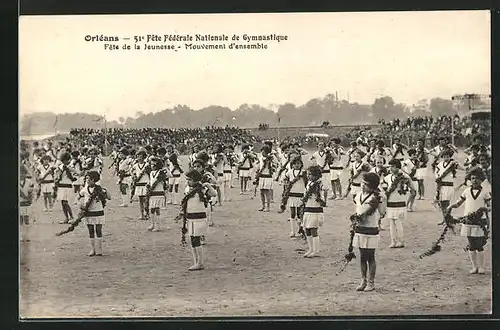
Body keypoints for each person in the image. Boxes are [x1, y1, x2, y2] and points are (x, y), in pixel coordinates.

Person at [446, 168, 491, 274]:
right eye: (473, 178)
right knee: (471, 244)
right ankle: (474, 266)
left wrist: (483, 210)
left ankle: (481, 267)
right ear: (470, 179)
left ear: (482, 179)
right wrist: (451, 206)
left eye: (477, 178)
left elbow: (489, 206)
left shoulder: (485, 192)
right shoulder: (466, 191)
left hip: (480, 221)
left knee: (479, 244)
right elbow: (459, 203)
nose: (475, 180)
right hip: (468, 221)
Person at [352, 172, 386, 292]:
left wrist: (382, 199)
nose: (363, 186)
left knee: (370, 256)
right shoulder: (358, 195)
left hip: (371, 228)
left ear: (372, 186)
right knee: (362, 256)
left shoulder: (376, 197)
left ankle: (371, 282)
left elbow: (382, 213)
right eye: (362, 183)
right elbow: (357, 209)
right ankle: (363, 280)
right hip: (360, 229)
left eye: (366, 184)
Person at [180, 169, 217, 271]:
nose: (188, 182)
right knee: (192, 240)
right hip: (190, 218)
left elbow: (214, 194)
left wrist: (208, 185)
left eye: (190, 180)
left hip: (199, 218)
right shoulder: (188, 189)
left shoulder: (201, 189)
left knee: (196, 240)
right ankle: (196, 261)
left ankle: (200, 262)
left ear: (195, 180)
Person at [76, 171, 111, 256]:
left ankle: (99, 249)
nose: (87, 180)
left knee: (98, 230)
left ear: (94, 180)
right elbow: (77, 198)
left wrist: (106, 191)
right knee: (91, 231)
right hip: (89, 213)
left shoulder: (100, 189)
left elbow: (109, 197)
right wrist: (80, 205)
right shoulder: (84, 190)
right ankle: (92, 249)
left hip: (98, 212)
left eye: (89, 179)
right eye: (86, 178)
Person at [383, 159, 415, 248]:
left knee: (398, 221)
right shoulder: (388, 177)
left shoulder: (405, 177)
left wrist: (407, 202)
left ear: (397, 167)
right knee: (391, 222)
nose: (390, 169)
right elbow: (381, 184)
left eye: (392, 167)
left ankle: (401, 241)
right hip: (390, 202)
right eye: (389, 167)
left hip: (400, 201)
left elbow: (413, 190)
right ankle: (393, 241)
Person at [300, 165, 326, 258]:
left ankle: (316, 250)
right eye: (308, 174)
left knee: (313, 229)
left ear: (317, 175)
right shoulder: (309, 183)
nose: (308, 176)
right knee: (306, 229)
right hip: (308, 208)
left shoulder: (320, 185)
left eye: (310, 174)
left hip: (315, 210)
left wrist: (318, 197)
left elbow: (323, 200)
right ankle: (310, 248)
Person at [282, 156, 307, 238]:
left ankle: (300, 229)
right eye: (295, 164)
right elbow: (284, 179)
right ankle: (292, 231)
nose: (297, 165)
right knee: (292, 213)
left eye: (298, 164)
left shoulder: (303, 172)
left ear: (301, 164)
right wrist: (286, 184)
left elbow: (307, 182)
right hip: (292, 194)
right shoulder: (289, 172)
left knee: (300, 213)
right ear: (292, 165)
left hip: (300, 194)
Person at [146, 157, 168, 232]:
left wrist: (165, 169)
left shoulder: (161, 172)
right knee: (151, 209)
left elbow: (168, 176)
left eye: (153, 164)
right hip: (152, 192)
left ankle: (157, 226)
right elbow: (151, 181)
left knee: (157, 209)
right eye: (151, 164)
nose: (152, 165)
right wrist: (148, 185)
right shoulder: (151, 173)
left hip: (158, 192)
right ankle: (152, 224)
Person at [54, 151, 76, 224]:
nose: (68, 161)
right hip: (61, 186)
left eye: (68, 159)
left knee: (65, 203)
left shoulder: (70, 168)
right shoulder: (59, 167)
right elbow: (57, 175)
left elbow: (77, 173)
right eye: (66, 160)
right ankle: (66, 218)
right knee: (62, 203)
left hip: (67, 186)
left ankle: (72, 217)